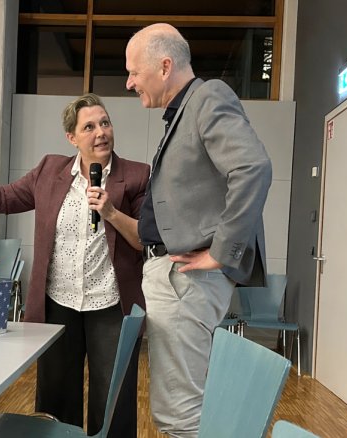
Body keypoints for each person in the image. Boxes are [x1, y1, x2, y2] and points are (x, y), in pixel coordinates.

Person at [0, 93, 149, 437]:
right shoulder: (49, 171)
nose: (101, 132)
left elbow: (144, 239)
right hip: (58, 305)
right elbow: (1, 197)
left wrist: (112, 213)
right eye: (89, 127)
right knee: (56, 400)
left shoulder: (136, 175)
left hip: (111, 306)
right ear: (72, 137)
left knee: (113, 406)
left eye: (105, 123)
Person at [125, 23, 273, 438]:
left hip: (185, 279)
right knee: (182, 408)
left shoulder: (208, 97)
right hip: (179, 279)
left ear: (165, 66)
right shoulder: (185, 109)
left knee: (180, 415)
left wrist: (222, 252)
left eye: (134, 72)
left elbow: (253, 167)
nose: (130, 82)